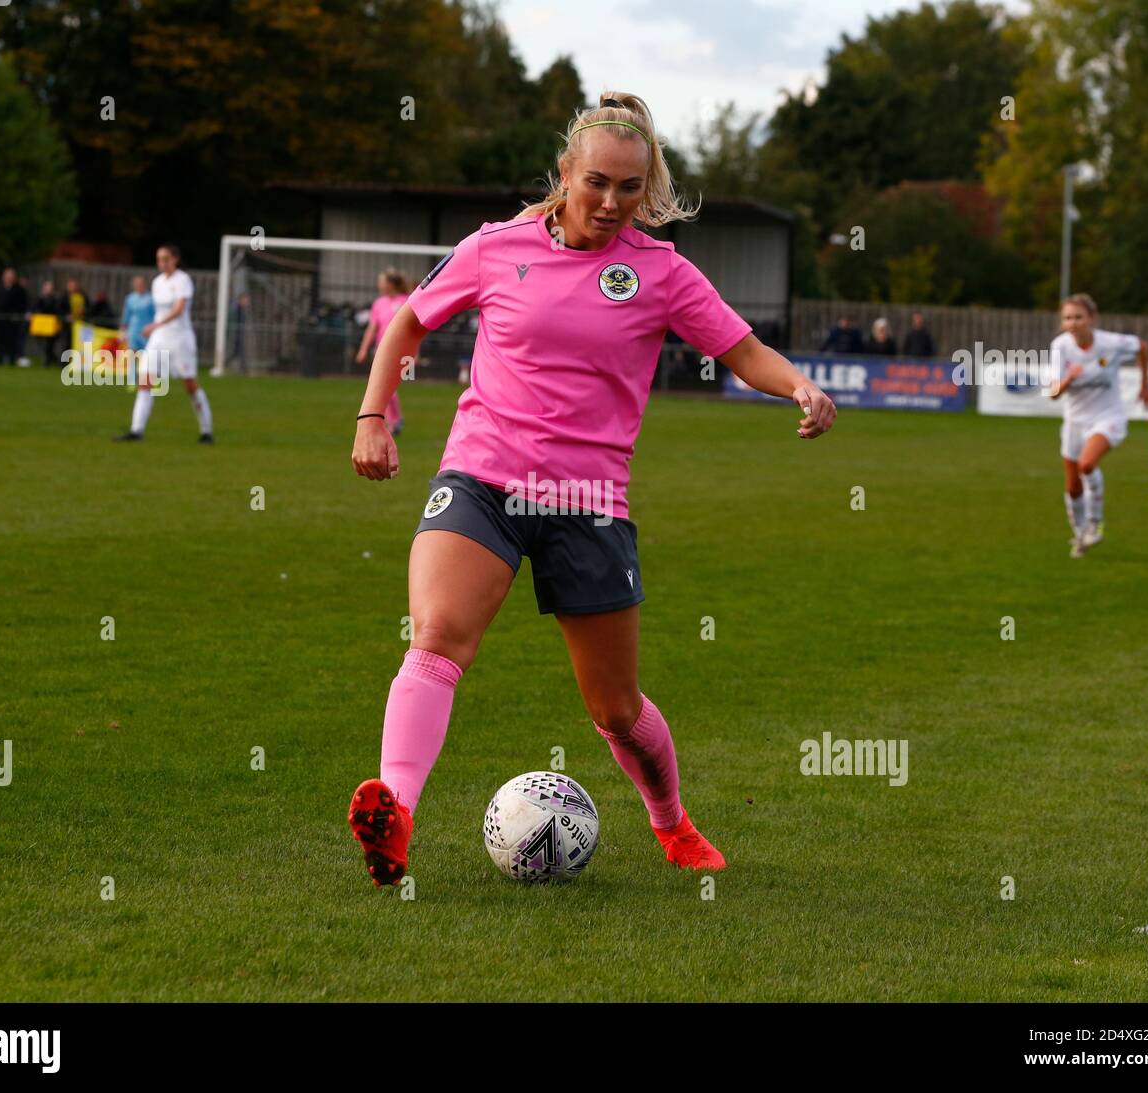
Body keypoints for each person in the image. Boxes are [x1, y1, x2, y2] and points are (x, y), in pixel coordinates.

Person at [346, 91, 836, 887]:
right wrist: (374, 414)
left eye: (630, 188)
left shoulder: (661, 271)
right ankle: (393, 814)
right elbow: (407, 322)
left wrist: (799, 387)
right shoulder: (493, 247)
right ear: (566, 172)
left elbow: (743, 350)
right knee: (437, 634)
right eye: (597, 182)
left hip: (589, 503)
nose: (611, 202)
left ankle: (671, 822)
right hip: (484, 478)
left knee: (614, 707)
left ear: (650, 188)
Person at [1048, 293, 1148, 558]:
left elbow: (1142, 346)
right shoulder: (1060, 347)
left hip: (1108, 416)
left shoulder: (1111, 343)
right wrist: (1069, 379)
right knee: (1072, 486)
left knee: (1087, 464)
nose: (1073, 323)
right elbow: (1053, 392)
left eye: (1078, 317)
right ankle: (1081, 534)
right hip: (1074, 421)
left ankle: (1095, 522)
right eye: (1067, 318)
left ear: (1091, 319)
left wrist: (1145, 384)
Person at [116, 244, 213, 443]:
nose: (162, 263)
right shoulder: (157, 282)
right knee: (145, 381)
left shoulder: (182, 280)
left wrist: (154, 324)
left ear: (175, 259)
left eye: (166, 258)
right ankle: (136, 430)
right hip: (159, 338)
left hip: (179, 338)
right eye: (159, 259)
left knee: (190, 385)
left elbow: (179, 309)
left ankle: (206, 431)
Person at [355, 269, 411, 435]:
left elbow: (413, 328)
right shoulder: (378, 303)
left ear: (390, 284)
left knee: (386, 387)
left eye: (381, 281)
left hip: (400, 350)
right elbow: (372, 329)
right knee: (384, 387)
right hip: (381, 351)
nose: (379, 284)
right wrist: (363, 349)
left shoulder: (405, 301)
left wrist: (414, 354)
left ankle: (392, 422)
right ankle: (393, 421)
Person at [0, 268, 27, 366]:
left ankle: (11, 360)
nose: (8, 279)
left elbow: (22, 304)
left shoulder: (19, 290)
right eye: (7, 277)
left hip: (12, 321)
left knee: (12, 341)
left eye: (11, 277)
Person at [29, 280, 62, 367]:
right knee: (43, 345)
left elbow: (57, 311)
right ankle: (54, 360)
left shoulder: (55, 300)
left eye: (50, 288)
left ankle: (48, 362)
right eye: (47, 288)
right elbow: (34, 309)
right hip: (40, 325)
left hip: (51, 326)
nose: (49, 290)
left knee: (49, 345)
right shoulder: (39, 299)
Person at [120, 275, 155, 358]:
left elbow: (155, 315)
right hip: (133, 329)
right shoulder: (130, 298)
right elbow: (126, 315)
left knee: (147, 354)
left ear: (145, 284)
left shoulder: (151, 299)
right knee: (132, 353)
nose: (138, 286)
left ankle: (145, 370)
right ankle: (132, 371)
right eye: (136, 284)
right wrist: (122, 330)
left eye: (140, 284)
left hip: (146, 330)